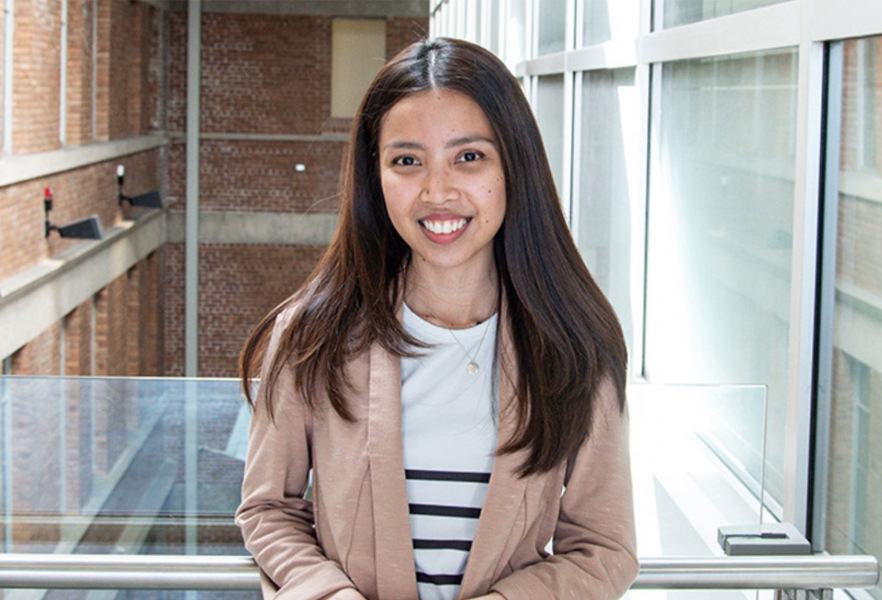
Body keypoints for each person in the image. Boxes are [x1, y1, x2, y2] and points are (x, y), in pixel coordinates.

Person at [235, 37, 638, 600]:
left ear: (513, 165)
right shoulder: (312, 335)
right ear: (375, 176)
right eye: (407, 161)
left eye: (468, 157)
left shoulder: (572, 343)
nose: (438, 191)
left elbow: (603, 549)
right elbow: (268, 510)